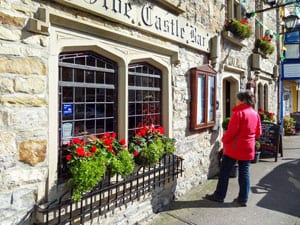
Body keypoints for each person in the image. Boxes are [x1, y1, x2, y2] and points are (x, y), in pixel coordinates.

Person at [205, 90, 262, 207]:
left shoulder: (239, 113)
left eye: (237, 99)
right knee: (244, 173)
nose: (235, 101)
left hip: (234, 148)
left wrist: (224, 140)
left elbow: (232, 132)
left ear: (242, 100)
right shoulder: (255, 114)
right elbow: (258, 133)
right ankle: (243, 199)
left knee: (225, 171)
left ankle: (219, 196)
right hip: (248, 147)